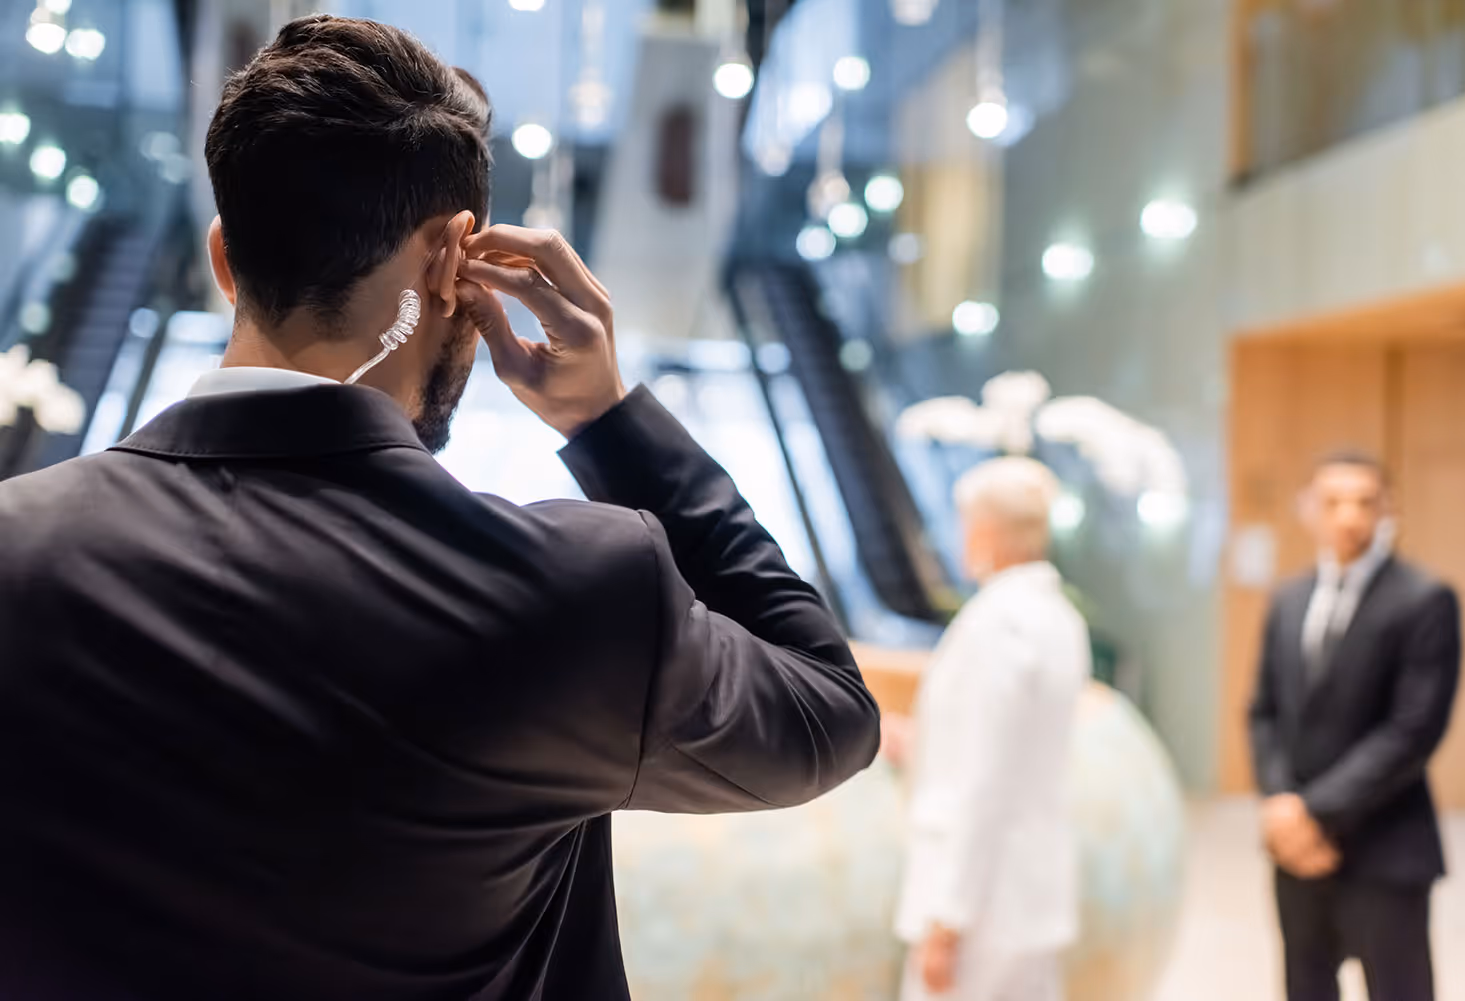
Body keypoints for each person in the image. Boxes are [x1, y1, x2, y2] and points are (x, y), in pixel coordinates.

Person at [0, 16, 880, 1001]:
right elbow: (829, 713)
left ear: (224, 258)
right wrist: (611, 421)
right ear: (452, 261)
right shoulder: (573, 590)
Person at [1249, 451, 1461, 1001]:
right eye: (1333, 502)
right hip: (1297, 852)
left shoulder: (1424, 600)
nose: (1349, 516)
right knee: (1305, 985)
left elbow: (1412, 731)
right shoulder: (1288, 599)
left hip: (1385, 845)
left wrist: (1313, 812)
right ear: (1308, 510)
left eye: (1365, 502)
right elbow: (1264, 711)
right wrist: (1280, 804)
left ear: (1389, 509)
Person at [887, 457, 1089, 1001]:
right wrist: (921, 743)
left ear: (986, 531)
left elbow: (986, 782)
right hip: (1027, 895)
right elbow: (1011, 749)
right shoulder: (1058, 618)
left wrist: (948, 920)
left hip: (982, 906)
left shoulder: (996, 626)